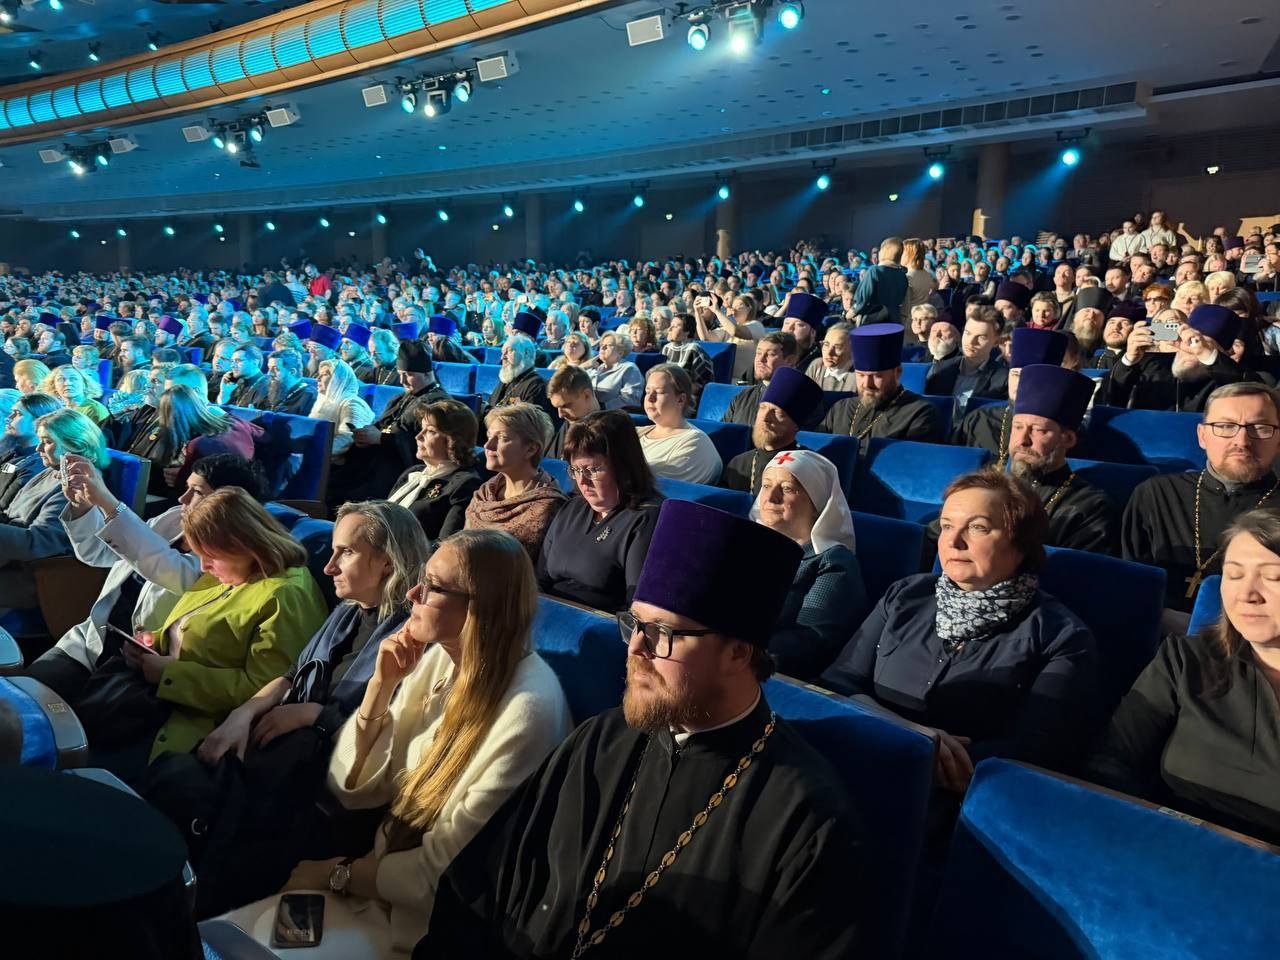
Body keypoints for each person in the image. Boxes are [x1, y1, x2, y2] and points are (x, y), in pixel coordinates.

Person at [421, 498, 862, 958]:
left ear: (738, 652)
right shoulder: (600, 740)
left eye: (663, 633)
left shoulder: (807, 820)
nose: (635, 648)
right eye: (634, 623)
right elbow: (480, 885)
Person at [223, 528, 572, 956]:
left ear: (480, 606)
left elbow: (443, 875)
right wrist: (381, 686)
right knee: (232, 929)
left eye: (432, 587)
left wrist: (338, 874)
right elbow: (354, 789)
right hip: (377, 887)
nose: (411, 594)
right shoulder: (442, 659)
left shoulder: (528, 711)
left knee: (254, 941)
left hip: (422, 928)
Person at [183, 501, 432, 917]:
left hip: (332, 792)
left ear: (387, 563)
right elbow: (291, 675)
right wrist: (242, 714)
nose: (329, 567)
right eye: (332, 552)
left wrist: (314, 716)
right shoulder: (347, 613)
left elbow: (396, 740)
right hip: (287, 764)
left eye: (345, 553)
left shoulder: (414, 639)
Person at [821, 469, 1099, 793]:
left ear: (1021, 543)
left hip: (961, 796)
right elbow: (838, 680)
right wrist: (908, 734)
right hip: (852, 757)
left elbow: (1037, 751)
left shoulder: (1062, 637)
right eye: (947, 526)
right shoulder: (906, 594)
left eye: (978, 527)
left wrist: (932, 761)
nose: (954, 542)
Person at [72, 487, 327, 784]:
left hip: (194, 728)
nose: (203, 566)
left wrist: (171, 675)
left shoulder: (286, 596)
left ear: (243, 545)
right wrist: (153, 642)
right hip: (154, 703)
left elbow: (265, 689)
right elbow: (190, 626)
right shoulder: (228, 573)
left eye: (209, 556)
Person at [1086, 508, 1280, 845]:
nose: (1247, 594)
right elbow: (1111, 762)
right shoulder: (1185, 659)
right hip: (1165, 848)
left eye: (1273, 577)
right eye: (1234, 575)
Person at [21, 455, 266, 703]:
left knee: (54, 715)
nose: (182, 499)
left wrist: (107, 502)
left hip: (141, 667)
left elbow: (171, 569)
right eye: (186, 488)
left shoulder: (230, 558)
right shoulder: (174, 519)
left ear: (229, 505)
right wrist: (82, 507)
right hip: (93, 642)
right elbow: (100, 553)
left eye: (197, 492)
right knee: (25, 694)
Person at [1122, 381, 1280, 615]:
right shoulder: (1155, 494)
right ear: (1202, 436)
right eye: (1225, 426)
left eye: (1260, 427)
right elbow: (1128, 584)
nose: (1242, 441)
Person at [750, 449, 867, 681]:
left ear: (816, 502)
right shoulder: (747, 544)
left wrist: (733, 649)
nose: (770, 497)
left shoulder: (832, 561)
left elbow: (810, 641)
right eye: (766, 485)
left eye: (787, 489)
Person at [537, 410, 662, 611]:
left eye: (592, 470)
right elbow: (540, 580)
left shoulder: (648, 518)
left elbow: (635, 608)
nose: (582, 481)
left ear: (623, 466)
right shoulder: (572, 508)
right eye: (576, 470)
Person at [0, 408, 110, 613]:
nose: (38, 448)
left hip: (36, 576)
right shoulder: (52, 471)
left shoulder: (79, 484)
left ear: (76, 444)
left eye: (47, 442)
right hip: (11, 559)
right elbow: (10, 512)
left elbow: (40, 543)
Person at [1008, 364, 1118, 554]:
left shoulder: (1090, 506)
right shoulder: (988, 486)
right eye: (1018, 427)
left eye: (1038, 430)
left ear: (1067, 439)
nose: (1022, 440)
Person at [334, 341, 450, 503]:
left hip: (399, 469)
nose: (402, 380)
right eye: (400, 373)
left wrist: (381, 439)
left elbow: (429, 445)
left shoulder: (439, 404)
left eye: (408, 374)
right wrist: (365, 434)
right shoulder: (400, 398)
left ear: (427, 374)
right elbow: (383, 425)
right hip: (376, 462)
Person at [130, 368, 261, 498]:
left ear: (195, 392)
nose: (166, 396)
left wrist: (188, 474)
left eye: (176, 391)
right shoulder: (169, 415)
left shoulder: (222, 427)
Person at [465, 402, 566, 562]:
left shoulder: (549, 506)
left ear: (530, 449)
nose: (488, 445)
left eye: (502, 438)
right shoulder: (485, 492)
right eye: (490, 436)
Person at [951, 327, 1068, 466]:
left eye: (1029, 377)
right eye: (1016, 375)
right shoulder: (980, 419)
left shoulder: (1062, 431)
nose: (1020, 384)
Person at [819, 322, 942, 453]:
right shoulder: (841, 408)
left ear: (897, 372)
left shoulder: (919, 413)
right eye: (861, 375)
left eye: (876, 376)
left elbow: (907, 461)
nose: (867, 384)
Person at [1105, 303, 1244, 413]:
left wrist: (1207, 355)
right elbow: (1113, 399)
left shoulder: (1228, 376)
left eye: (1202, 344)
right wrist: (1129, 360)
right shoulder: (1152, 366)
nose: (1191, 349)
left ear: (1222, 353)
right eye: (1187, 340)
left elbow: (1239, 389)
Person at [388, 399, 484, 543]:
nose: (418, 437)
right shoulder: (413, 473)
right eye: (421, 428)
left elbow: (445, 545)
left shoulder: (465, 484)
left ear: (454, 440)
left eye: (430, 431)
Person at [721, 366, 822, 496]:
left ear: (796, 425)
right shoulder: (738, 464)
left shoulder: (808, 467)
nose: (765, 418)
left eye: (777, 412)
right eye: (762, 408)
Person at [636, 363, 723, 485]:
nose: (650, 398)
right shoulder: (636, 432)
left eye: (659, 392)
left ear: (680, 399)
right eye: (647, 391)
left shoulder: (695, 442)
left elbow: (650, 484)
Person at [925, 307, 1009, 420]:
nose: (971, 342)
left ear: (996, 342)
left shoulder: (1002, 380)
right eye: (967, 333)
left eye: (981, 337)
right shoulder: (940, 370)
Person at [722, 332, 810, 427]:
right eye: (758, 353)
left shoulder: (802, 403)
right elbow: (724, 432)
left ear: (790, 360)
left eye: (770, 354)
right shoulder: (742, 397)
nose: (761, 359)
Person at [0, 393, 60, 511]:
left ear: (39, 421)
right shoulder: (14, 451)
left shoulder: (36, 466)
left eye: (18, 414)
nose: (9, 418)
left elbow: (4, 509)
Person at [310, 358, 376, 460]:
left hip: (339, 463)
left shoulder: (352, 404)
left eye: (324, 375)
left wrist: (313, 454)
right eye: (319, 374)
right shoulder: (323, 402)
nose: (317, 378)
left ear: (338, 380)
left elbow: (346, 439)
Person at [488, 334, 553, 418]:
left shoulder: (536, 386)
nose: (502, 357)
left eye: (509, 351)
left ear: (526, 353)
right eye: (502, 352)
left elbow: (527, 421)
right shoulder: (506, 380)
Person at [544, 364, 600, 460]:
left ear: (587, 395)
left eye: (566, 406)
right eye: (557, 408)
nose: (560, 415)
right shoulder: (571, 422)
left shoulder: (613, 429)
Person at [851, 236, 908, 324]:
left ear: (885, 251)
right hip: (895, 321)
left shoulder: (875, 271)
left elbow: (862, 300)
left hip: (875, 322)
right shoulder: (902, 274)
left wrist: (849, 314)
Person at [585, 329, 644, 410]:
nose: (602, 347)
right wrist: (584, 366)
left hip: (611, 413)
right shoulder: (594, 367)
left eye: (608, 345)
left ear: (620, 352)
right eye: (602, 344)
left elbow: (631, 398)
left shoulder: (629, 369)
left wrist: (603, 407)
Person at [780, 291, 828, 371]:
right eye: (786, 323)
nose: (790, 328)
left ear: (812, 332)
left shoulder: (820, 362)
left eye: (799, 325)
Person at [263, 349, 318, 415]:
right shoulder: (274, 388)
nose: (269, 373)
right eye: (269, 368)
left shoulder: (309, 397)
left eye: (276, 369)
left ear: (292, 372)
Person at [806, 321, 855, 392]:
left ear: (852, 350)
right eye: (826, 344)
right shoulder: (817, 365)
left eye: (837, 347)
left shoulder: (860, 376)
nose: (829, 353)